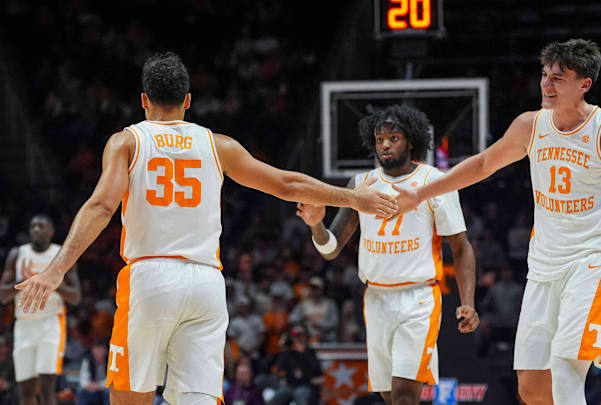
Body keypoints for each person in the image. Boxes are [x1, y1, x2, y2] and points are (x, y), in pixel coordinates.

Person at [13, 52, 397, 405]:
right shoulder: (218, 144)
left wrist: (56, 269)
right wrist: (355, 200)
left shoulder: (127, 141)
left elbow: (100, 206)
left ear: (143, 100)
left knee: (130, 397)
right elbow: (287, 184)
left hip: (150, 277)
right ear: (189, 100)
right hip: (206, 284)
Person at [391, 38, 601, 405]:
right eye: (544, 75)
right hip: (544, 263)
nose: (546, 84)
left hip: (593, 260)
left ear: (584, 84)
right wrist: (420, 193)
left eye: (557, 77)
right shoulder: (530, 126)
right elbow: (483, 164)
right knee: (531, 387)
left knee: (566, 372)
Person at [296, 104, 479, 405]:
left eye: (393, 138)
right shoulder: (360, 185)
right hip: (376, 298)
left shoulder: (434, 182)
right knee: (389, 396)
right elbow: (330, 249)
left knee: (405, 395)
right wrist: (316, 224)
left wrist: (468, 302)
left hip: (418, 298)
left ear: (411, 141)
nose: (385, 145)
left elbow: (461, 247)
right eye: (380, 139)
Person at [0, 215, 81, 405]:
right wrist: (27, 281)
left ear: (51, 231)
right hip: (24, 325)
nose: (36, 229)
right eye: (33, 226)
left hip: (50, 324)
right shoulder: (17, 254)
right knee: (26, 391)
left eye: (41, 226)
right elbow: (3, 296)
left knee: (47, 388)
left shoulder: (61, 254)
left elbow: (76, 296)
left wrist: (49, 281)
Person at [268, 324, 324, 405]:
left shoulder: (311, 352)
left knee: (300, 394)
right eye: (295, 334)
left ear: (306, 335)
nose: (298, 337)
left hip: (305, 386)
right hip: (290, 386)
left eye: (300, 334)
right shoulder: (288, 352)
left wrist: (302, 352)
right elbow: (279, 368)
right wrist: (283, 349)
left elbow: (318, 373)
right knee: (277, 397)